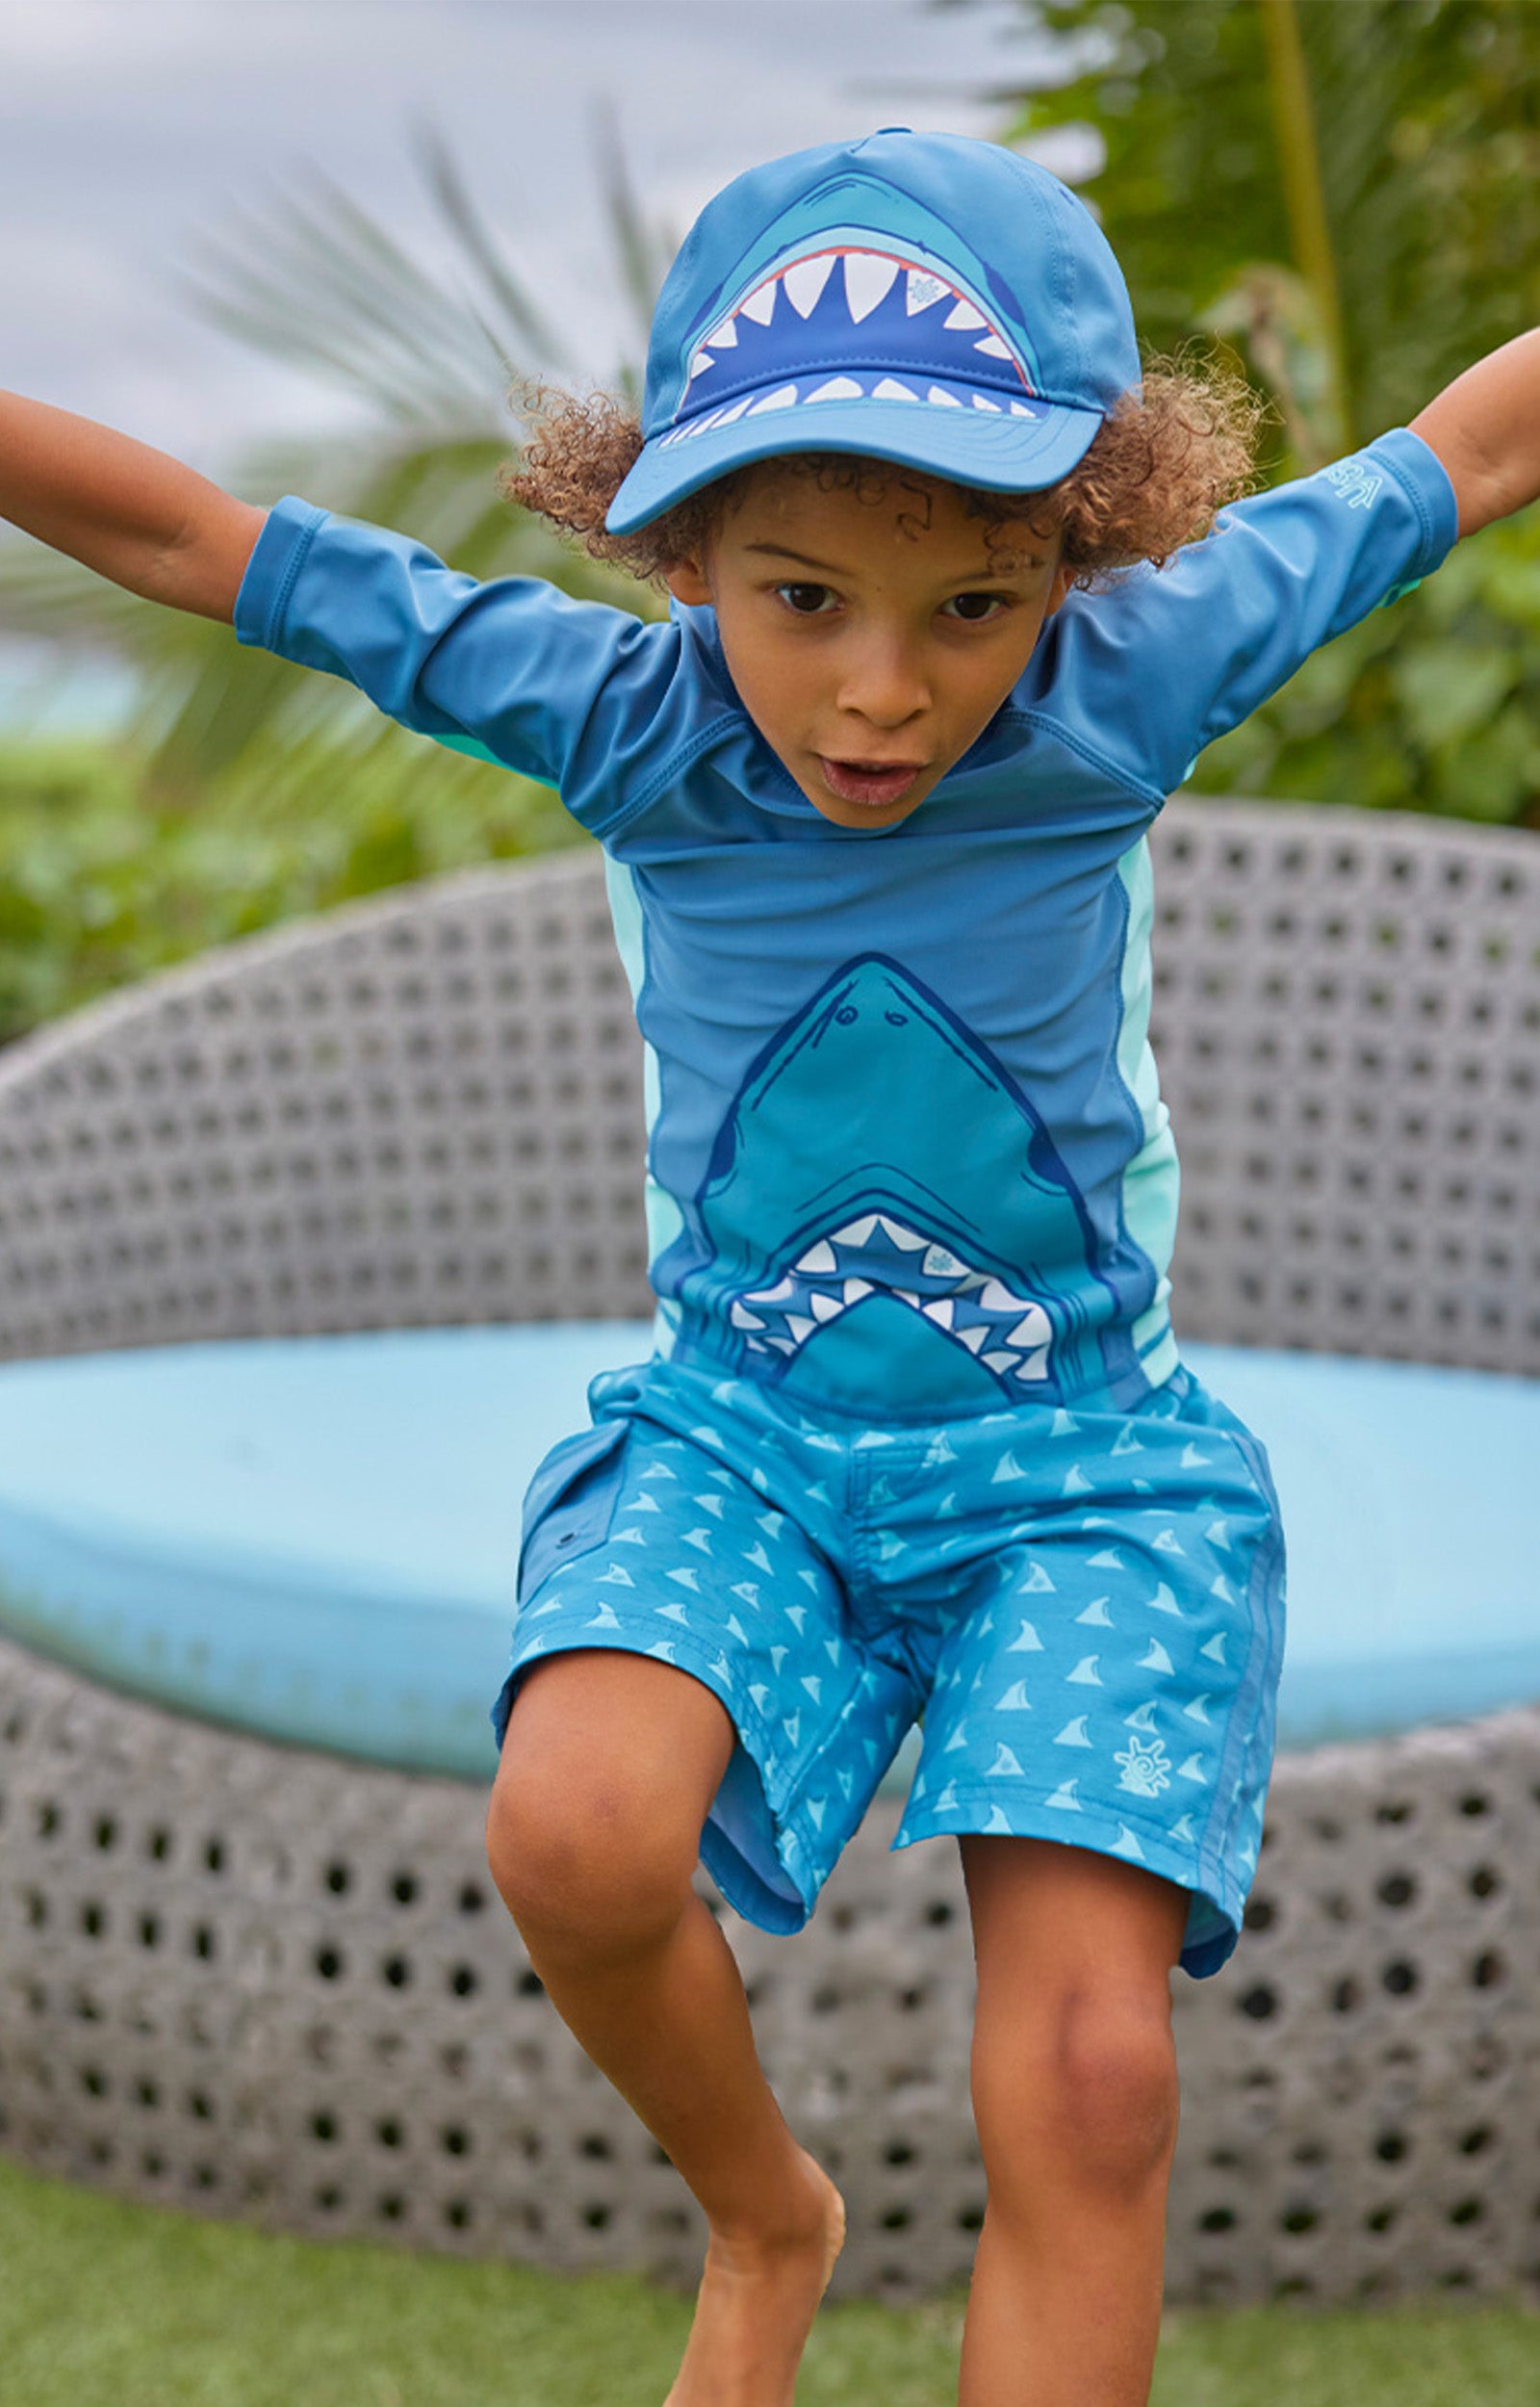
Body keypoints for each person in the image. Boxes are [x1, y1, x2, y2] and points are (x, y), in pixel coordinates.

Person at [1, 124, 1535, 2407]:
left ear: (1078, 552)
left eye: (968, 609)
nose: (881, 696)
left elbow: (1465, 445)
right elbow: (192, 539)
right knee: (580, 1825)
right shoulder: (620, 718)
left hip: (1083, 1467)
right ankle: (764, 2212)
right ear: (681, 541)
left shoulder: (1140, 675)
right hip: (747, 1441)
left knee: (1093, 2076)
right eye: (799, 596)